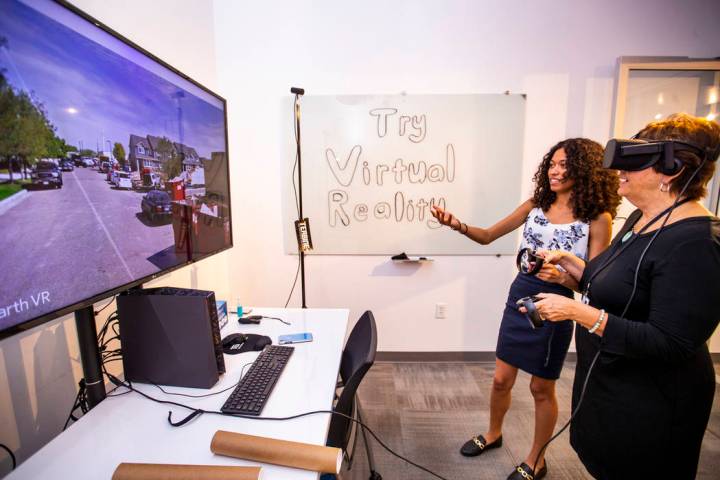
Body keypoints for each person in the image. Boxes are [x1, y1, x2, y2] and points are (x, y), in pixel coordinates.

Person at [532, 114, 720, 479]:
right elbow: (626, 290)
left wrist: (579, 313)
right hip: (612, 384)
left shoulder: (697, 244)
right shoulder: (641, 218)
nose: (620, 171)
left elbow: (672, 341)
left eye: (634, 163)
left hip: (653, 404)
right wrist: (577, 270)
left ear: (671, 171)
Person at [431, 138, 621, 480]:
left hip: (557, 305)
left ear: (584, 170)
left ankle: (537, 458)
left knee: (540, 388)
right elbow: (488, 235)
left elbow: (595, 282)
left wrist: (564, 279)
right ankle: (493, 433)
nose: (555, 171)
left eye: (565, 165)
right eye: (552, 164)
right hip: (520, 295)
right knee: (501, 379)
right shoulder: (537, 203)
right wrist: (456, 225)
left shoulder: (597, 218)